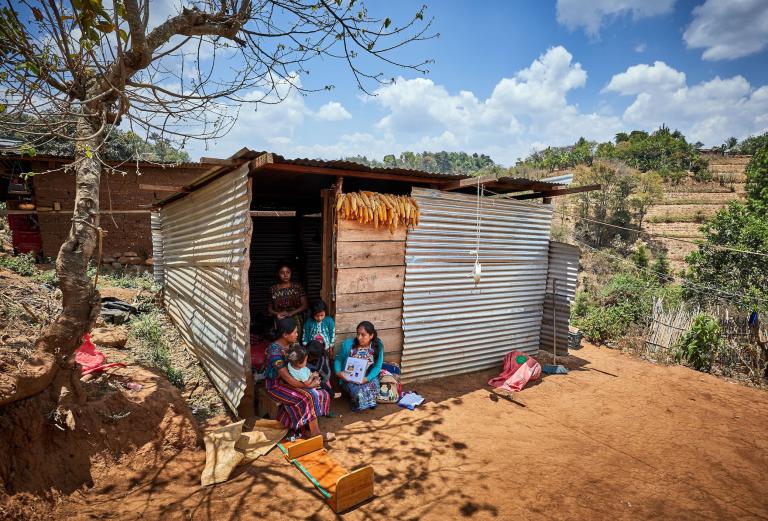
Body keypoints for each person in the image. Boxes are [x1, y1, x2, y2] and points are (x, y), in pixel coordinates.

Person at [265, 317, 333, 440]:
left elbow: (300, 368)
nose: (297, 334)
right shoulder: (274, 351)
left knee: (319, 392)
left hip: (293, 381)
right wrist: (308, 385)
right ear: (285, 334)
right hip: (276, 385)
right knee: (307, 396)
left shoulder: (293, 345)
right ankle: (315, 432)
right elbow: (288, 378)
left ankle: (306, 428)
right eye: (295, 332)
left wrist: (310, 379)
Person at [334, 321, 384, 412]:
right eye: (358, 334)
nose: (359, 337)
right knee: (357, 392)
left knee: (375, 387)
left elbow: (378, 366)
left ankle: (367, 401)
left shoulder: (378, 346)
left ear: (371, 335)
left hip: (366, 376)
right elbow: (338, 359)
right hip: (349, 378)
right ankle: (358, 402)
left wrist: (366, 378)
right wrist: (338, 372)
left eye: (363, 335)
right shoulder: (348, 345)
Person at [268, 264, 308, 331]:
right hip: (280, 318)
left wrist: (291, 313)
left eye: (288, 272)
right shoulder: (273, 289)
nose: (285, 275)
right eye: (282, 273)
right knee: (283, 336)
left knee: (295, 336)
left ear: (291, 273)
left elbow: (305, 305)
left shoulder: (297, 287)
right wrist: (278, 314)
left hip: (296, 316)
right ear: (278, 274)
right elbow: (269, 309)